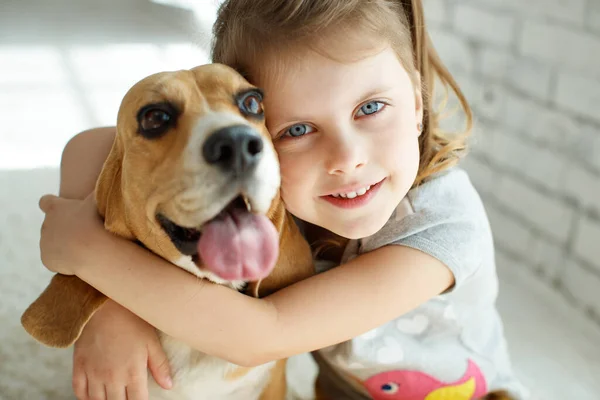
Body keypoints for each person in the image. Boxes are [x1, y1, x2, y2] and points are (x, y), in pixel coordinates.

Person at [37, 0, 528, 399]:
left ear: (418, 103)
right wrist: (111, 310)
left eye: (371, 107)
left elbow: (261, 335)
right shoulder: (294, 182)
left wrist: (89, 254)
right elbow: (91, 146)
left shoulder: (443, 227)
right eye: (297, 129)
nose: (345, 158)